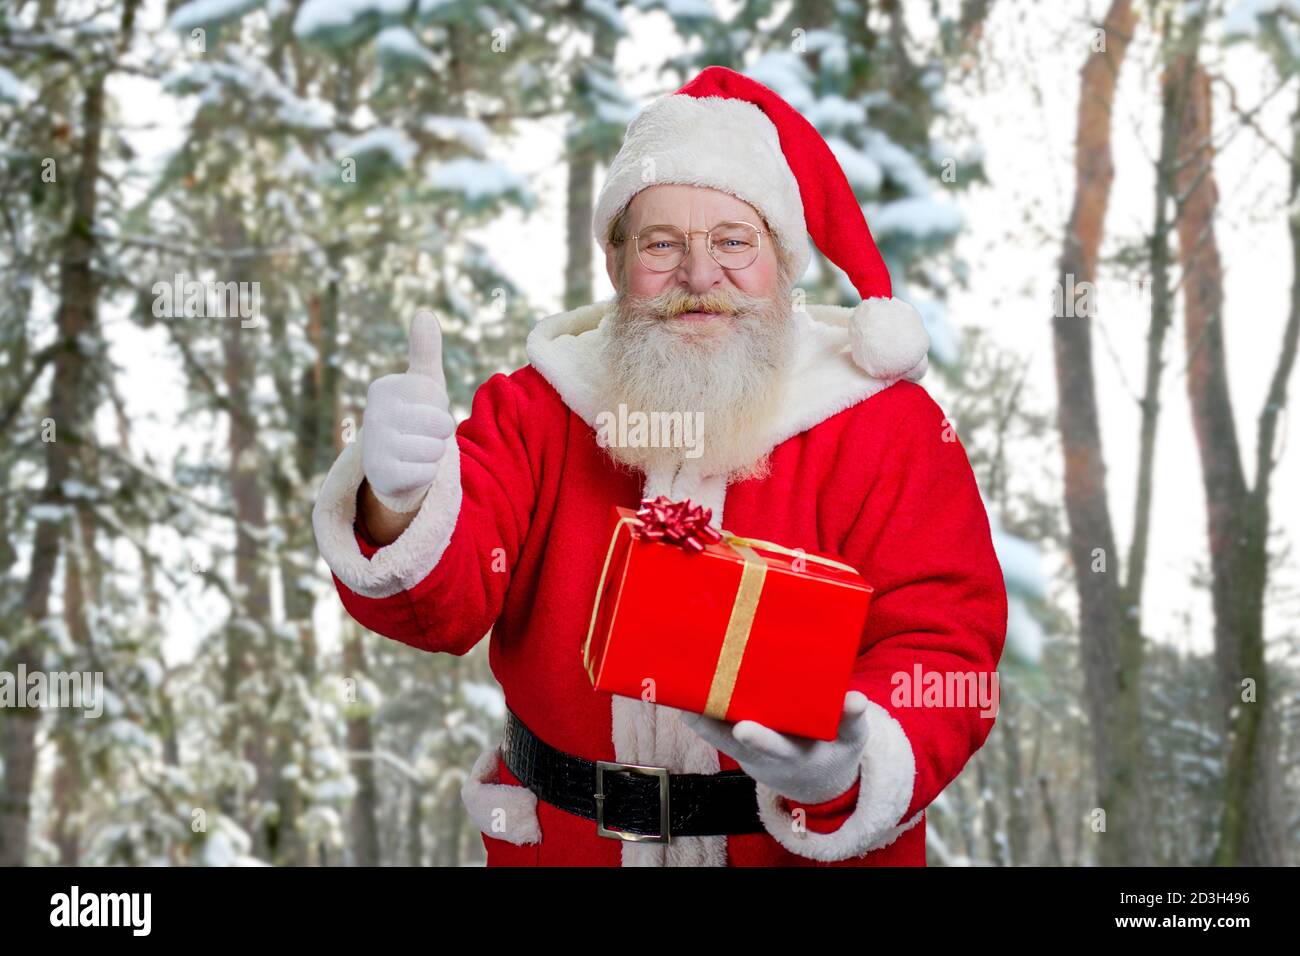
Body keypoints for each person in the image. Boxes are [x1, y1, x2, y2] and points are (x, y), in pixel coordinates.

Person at [312, 66, 1007, 866]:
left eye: (733, 242)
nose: (699, 275)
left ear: (784, 263)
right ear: (615, 266)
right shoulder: (539, 408)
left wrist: (849, 764)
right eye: (662, 243)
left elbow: (946, 644)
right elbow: (445, 607)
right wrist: (396, 501)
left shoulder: (886, 426)